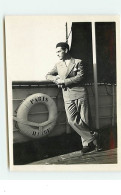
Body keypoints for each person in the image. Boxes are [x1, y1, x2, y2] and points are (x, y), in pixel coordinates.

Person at [46, 42, 100, 154]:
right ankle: (93, 137)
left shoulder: (77, 62)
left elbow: (80, 77)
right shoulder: (58, 65)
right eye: (56, 52)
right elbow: (47, 75)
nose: (57, 54)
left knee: (84, 119)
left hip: (80, 93)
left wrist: (64, 81)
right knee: (71, 120)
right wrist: (55, 79)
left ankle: (87, 144)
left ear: (66, 50)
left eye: (59, 51)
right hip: (67, 95)